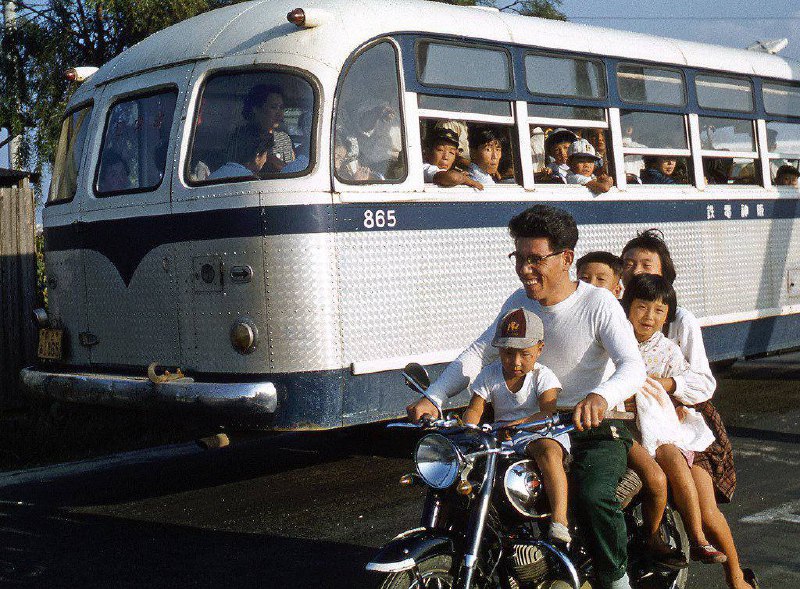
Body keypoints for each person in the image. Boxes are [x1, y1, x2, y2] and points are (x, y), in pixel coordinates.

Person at [408, 205, 647, 589]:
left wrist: (600, 397)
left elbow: (633, 366)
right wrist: (434, 396)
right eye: (519, 258)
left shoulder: (597, 303)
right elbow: (481, 351)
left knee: (592, 496)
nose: (524, 269)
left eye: (535, 259)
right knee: (469, 483)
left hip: (589, 424)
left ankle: (616, 581)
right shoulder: (519, 302)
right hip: (525, 426)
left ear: (566, 258)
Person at [621, 229, 756, 589]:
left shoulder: (680, 320)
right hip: (636, 420)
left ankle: (735, 575)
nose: (635, 270)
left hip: (683, 419)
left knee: (704, 505)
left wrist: (665, 387)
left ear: (664, 271)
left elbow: (702, 382)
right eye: (628, 264)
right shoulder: (614, 315)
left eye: (646, 264)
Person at [622, 274, 725, 565]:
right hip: (625, 426)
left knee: (676, 462)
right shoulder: (616, 339)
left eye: (659, 311)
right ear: (628, 306)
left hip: (655, 427)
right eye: (642, 307)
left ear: (667, 316)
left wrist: (672, 391)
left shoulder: (667, 349)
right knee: (654, 478)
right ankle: (651, 535)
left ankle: (697, 538)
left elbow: (694, 383)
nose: (649, 317)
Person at [462, 308, 571, 544]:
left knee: (549, 452)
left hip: (539, 431)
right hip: (502, 436)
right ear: (499, 350)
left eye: (525, 354)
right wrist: (469, 429)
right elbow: (475, 409)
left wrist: (519, 425)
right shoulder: (489, 374)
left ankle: (560, 520)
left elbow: (547, 411)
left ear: (539, 349)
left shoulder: (543, 376)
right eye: (508, 353)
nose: (516, 362)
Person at [239, 84, 295, 173]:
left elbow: (293, 172)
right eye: (273, 107)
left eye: (281, 108)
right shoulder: (240, 137)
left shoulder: (283, 139)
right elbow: (232, 171)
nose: (280, 114)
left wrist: (275, 162)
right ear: (256, 109)